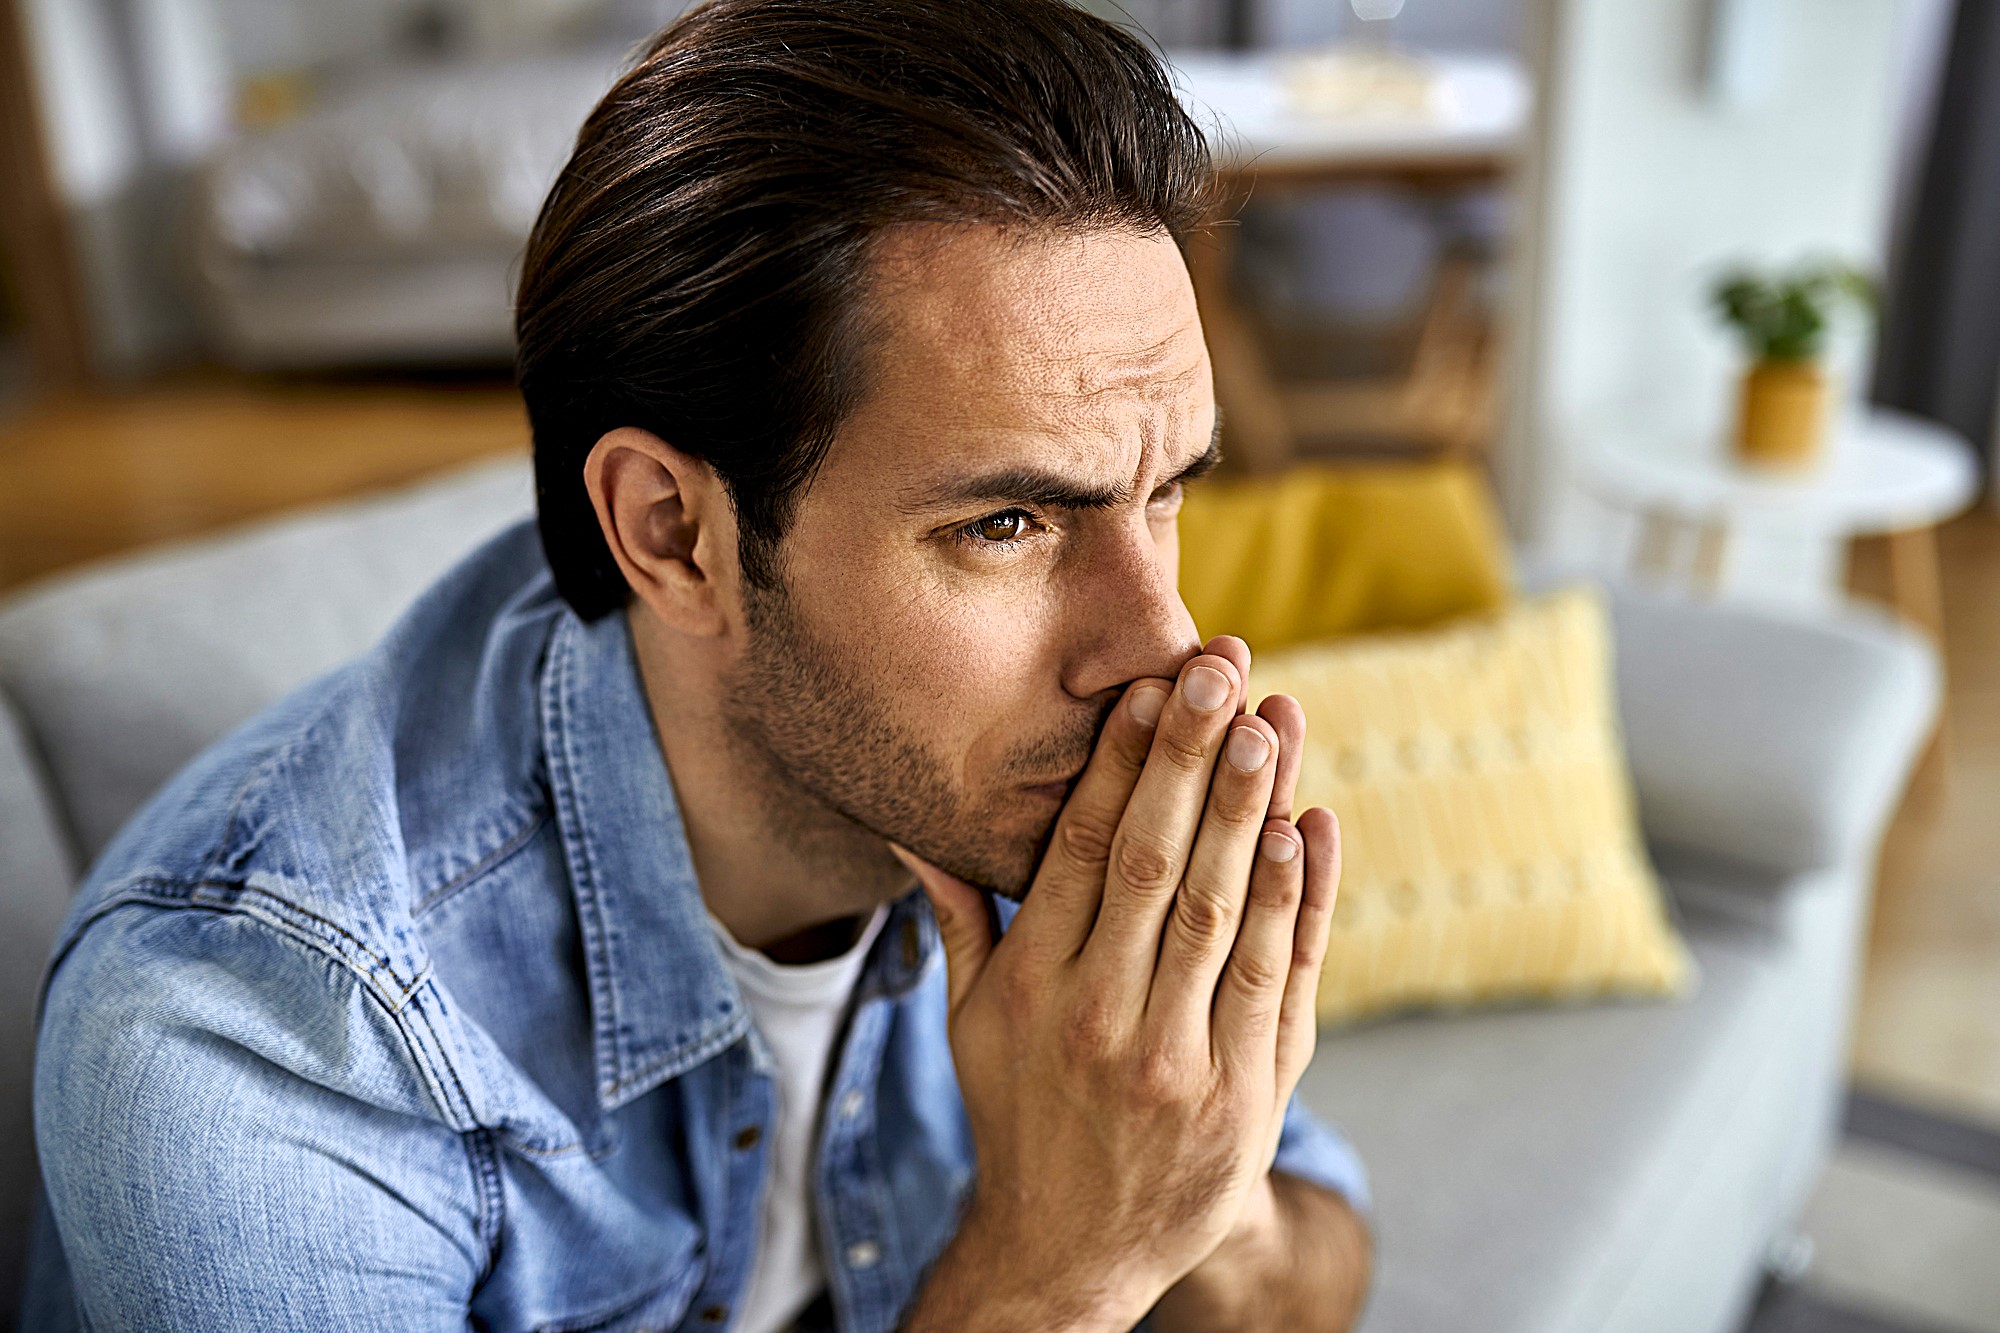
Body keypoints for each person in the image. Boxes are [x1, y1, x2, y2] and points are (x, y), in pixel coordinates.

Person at [26, 0, 1373, 1328]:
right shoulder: (257, 1050)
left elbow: (1314, 1272)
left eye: (1165, 495)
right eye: (1007, 523)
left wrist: (1190, 1188)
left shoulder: (1030, 798)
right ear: (673, 535)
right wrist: (1055, 1271)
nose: (1163, 651)